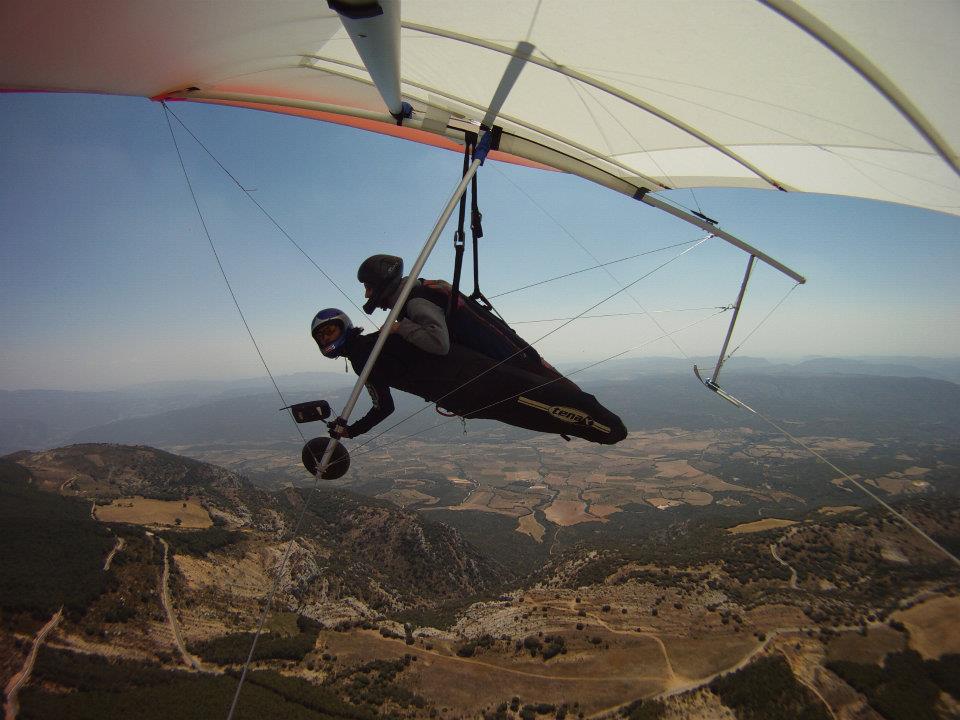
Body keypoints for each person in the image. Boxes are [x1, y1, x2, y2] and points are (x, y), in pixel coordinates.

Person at [310, 307, 627, 445]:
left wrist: (354, 430)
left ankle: (605, 431)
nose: (327, 338)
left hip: (469, 393)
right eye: (322, 336)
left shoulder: (373, 346)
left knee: (537, 411)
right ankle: (607, 430)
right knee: (547, 399)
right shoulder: (367, 356)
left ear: (345, 325)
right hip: (475, 383)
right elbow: (384, 406)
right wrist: (352, 430)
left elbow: (384, 405)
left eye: (330, 330)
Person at [357, 254, 571, 387]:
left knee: (558, 388)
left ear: (383, 283)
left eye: (369, 287)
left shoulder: (416, 303)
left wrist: (401, 328)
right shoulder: (421, 289)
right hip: (513, 352)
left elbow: (440, 344)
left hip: (509, 358)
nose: (367, 295)